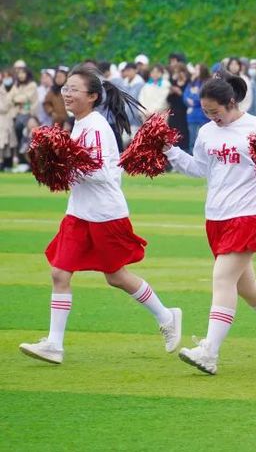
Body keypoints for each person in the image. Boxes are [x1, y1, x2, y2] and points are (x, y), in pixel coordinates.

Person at [19, 64, 181, 365]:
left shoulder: (95, 127)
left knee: (116, 276)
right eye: (65, 88)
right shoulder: (79, 123)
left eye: (74, 90)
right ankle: (54, 344)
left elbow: (105, 172)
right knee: (59, 272)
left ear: (92, 96)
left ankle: (166, 315)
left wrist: (66, 163)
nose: (67, 94)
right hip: (79, 213)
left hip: (105, 214)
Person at [166, 73, 256, 375]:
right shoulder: (206, 132)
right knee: (246, 285)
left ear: (231, 102)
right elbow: (200, 169)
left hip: (249, 215)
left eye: (215, 111)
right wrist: (169, 150)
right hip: (216, 217)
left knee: (222, 279)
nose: (211, 117)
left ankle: (209, 352)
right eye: (206, 111)